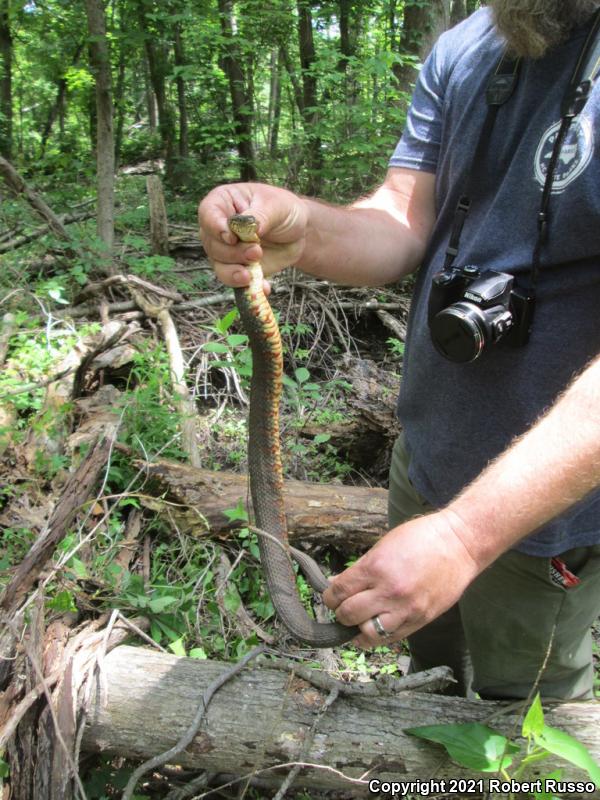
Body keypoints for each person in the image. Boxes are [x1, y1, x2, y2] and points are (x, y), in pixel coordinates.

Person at [199, 0, 600, 701]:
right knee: (431, 686)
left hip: (540, 519)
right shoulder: (471, 44)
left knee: (522, 734)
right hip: (426, 462)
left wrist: (466, 537)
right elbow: (405, 215)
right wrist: (305, 231)